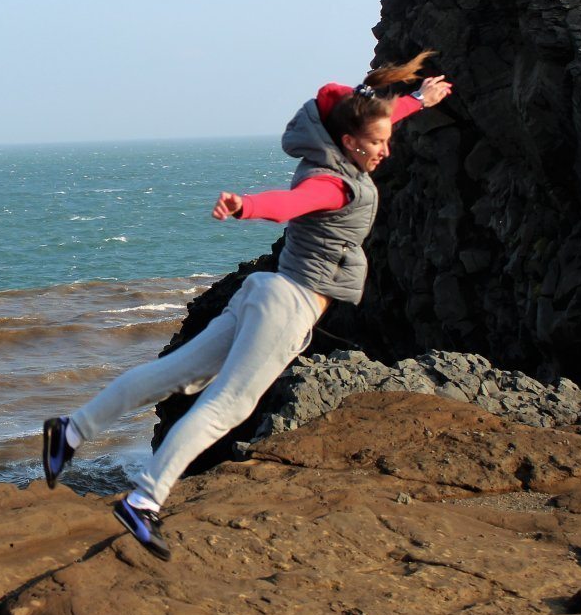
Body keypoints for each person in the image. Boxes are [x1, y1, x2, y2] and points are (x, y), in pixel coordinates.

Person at [41, 51, 453, 559]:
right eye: (377, 144)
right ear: (349, 142)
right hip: (290, 303)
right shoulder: (332, 183)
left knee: (176, 374)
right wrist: (247, 206)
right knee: (227, 405)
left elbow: (376, 120)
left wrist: (418, 100)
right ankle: (143, 500)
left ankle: (72, 430)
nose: (385, 151)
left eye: (387, 139)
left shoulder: (336, 148)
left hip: (266, 289)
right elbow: (291, 204)